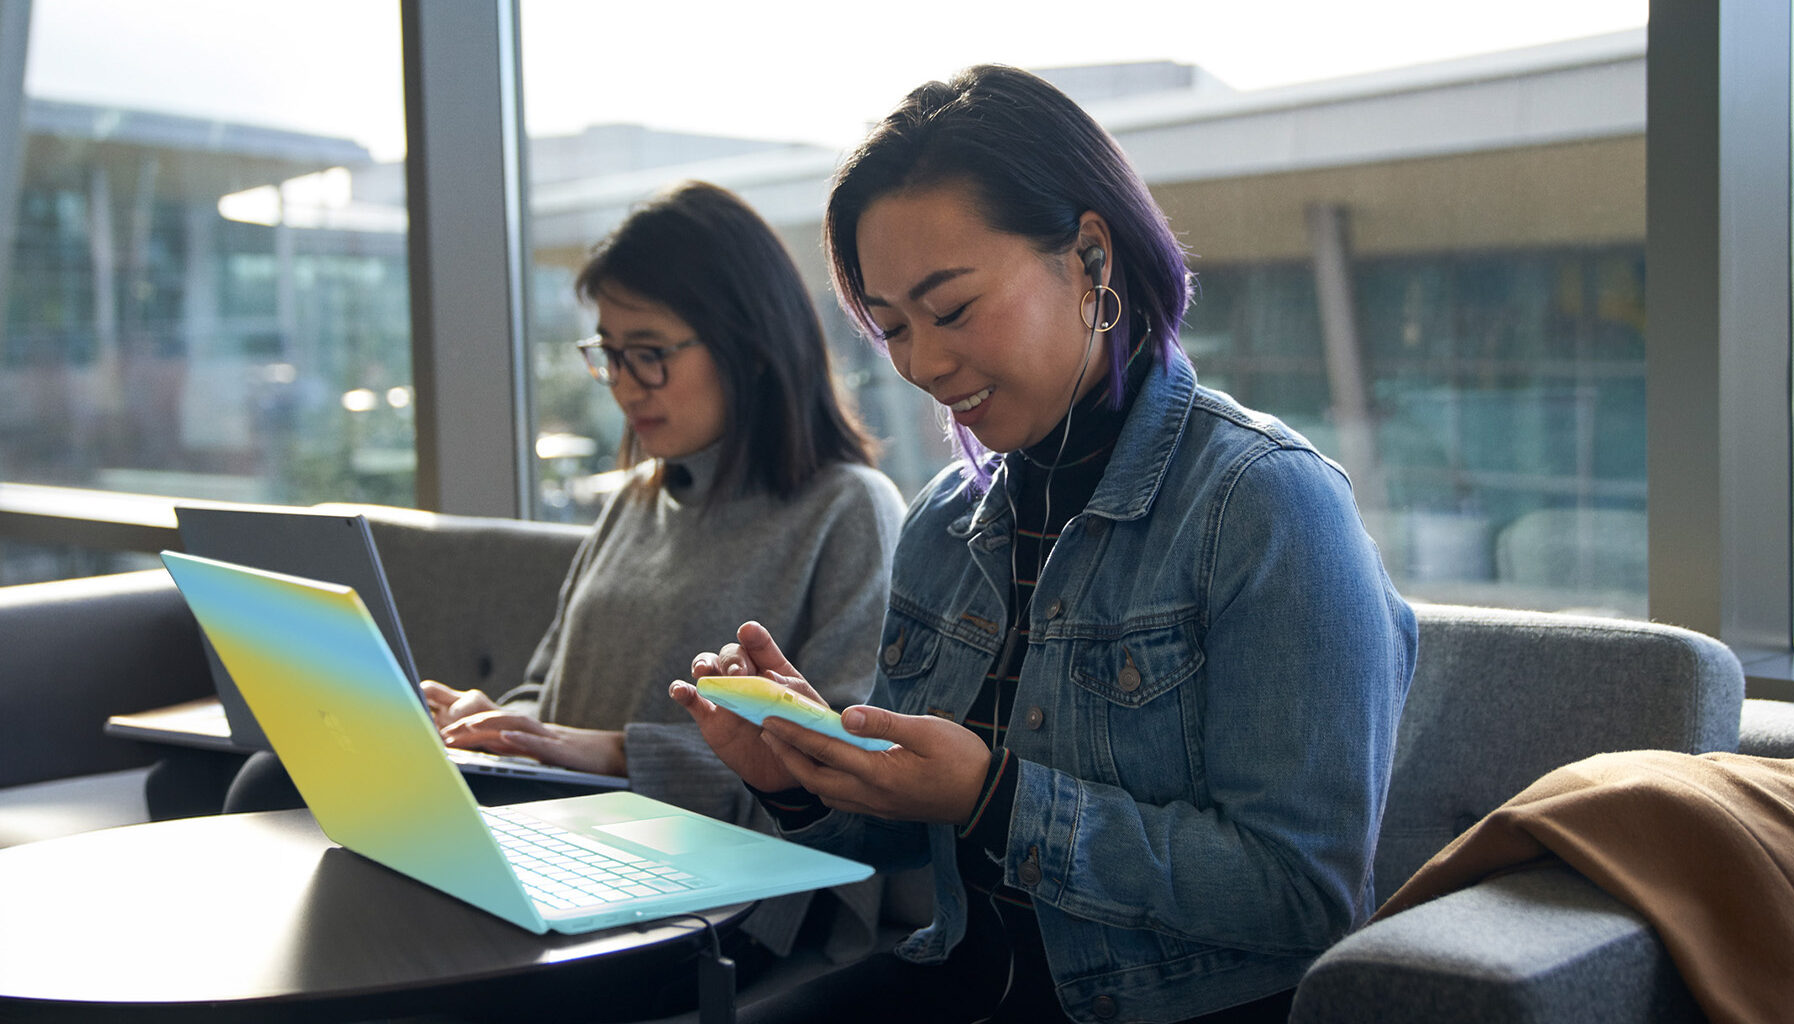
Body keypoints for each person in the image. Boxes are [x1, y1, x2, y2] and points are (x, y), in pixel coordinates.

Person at [669, 66, 1419, 1023]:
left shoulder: (1267, 504)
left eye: (951, 309)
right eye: (890, 327)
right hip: (963, 977)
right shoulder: (946, 519)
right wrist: (800, 774)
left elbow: (1303, 896)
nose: (924, 365)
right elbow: (908, 834)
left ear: (1092, 260)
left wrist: (998, 798)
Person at [228, 181, 907, 979]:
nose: (623, 384)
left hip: (707, 889)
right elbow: (545, 690)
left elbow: (833, 774)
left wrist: (616, 754)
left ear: (750, 347)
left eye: (649, 353)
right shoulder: (635, 500)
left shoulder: (847, 510)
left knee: (279, 803)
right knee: (260, 780)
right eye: (610, 354)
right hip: (565, 834)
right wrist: (494, 723)